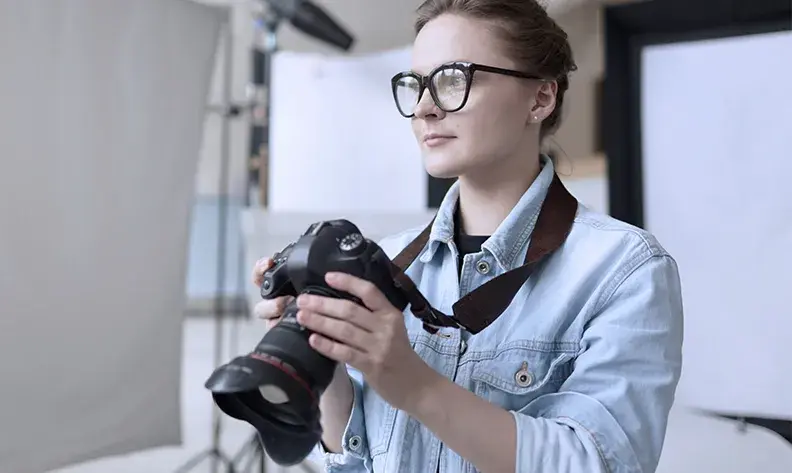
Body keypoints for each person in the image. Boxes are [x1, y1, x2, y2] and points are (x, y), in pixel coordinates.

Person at [252, 0, 684, 472]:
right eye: (416, 84)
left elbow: (593, 463)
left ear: (541, 98)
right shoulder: (387, 261)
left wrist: (416, 386)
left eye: (454, 78)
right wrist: (323, 358)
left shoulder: (624, 270)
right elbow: (357, 460)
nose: (424, 108)